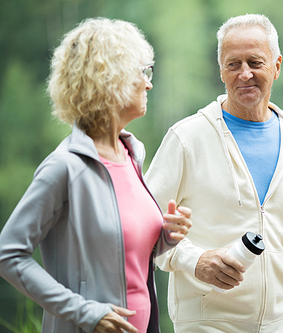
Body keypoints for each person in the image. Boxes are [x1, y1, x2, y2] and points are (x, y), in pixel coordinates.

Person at [145, 13, 283, 332]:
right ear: (221, 70)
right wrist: (195, 261)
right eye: (233, 64)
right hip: (206, 323)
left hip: (278, 321)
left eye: (255, 62)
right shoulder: (187, 138)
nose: (244, 74)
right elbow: (143, 229)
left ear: (277, 66)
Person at [0, 18, 192, 333]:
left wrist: (168, 235)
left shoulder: (133, 154)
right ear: (110, 80)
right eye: (142, 73)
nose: (149, 83)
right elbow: (8, 254)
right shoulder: (63, 167)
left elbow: (121, 254)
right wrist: (83, 312)